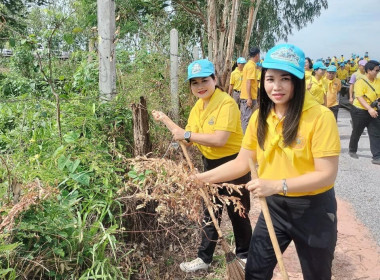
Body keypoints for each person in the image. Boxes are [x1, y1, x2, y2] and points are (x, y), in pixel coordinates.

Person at [194, 44, 340, 279]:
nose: (276, 86)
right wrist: (199, 179)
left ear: (298, 81)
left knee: (317, 274)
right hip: (275, 209)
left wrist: (277, 185)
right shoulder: (259, 117)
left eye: (285, 79)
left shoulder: (320, 117)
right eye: (270, 79)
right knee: (256, 272)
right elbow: (242, 163)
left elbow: (326, 174)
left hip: (313, 209)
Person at [151, 59, 252, 272]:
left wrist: (187, 134)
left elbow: (219, 139)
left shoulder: (226, 103)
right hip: (210, 163)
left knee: (238, 211)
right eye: (195, 83)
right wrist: (167, 120)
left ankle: (245, 254)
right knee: (210, 212)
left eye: (205, 80)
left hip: (233, 163)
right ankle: (204, 258)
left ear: (214, 79)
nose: (200, 86)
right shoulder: (198, 106)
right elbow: (186, 138)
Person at [348, 60, 380, 164]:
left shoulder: (378, 80)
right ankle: (352, 150)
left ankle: (376, 156)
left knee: (375, 133)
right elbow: (360, 97)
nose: (378, 72)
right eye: (376, 70)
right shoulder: (360, 82)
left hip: (374, 111)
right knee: (357, 131)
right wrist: (369, 109)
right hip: (360, 111)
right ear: (369, 70)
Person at [240, 47, 260, 133]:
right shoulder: (251, 66)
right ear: (257, 55)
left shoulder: (248, 65)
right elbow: (248, 82)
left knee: (247, 118)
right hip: (249, 97)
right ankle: (245, 140)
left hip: (248, 96)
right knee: (247, 119)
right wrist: (249, 98)